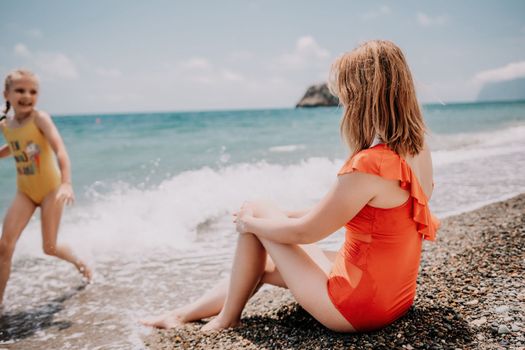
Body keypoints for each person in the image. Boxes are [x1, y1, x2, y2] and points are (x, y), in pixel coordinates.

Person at [142, 40, 439, 332]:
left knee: (256, 209)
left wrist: (251, 224)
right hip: (396, 296)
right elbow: (342, 210)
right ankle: (181, 315)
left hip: (356, 307)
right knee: (265, 264)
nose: (343, 102)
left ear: (361, 97)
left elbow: (305, 233)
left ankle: (226, 318)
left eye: (346, 94)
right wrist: (280, 216)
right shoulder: (417, 148)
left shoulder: (369, 164)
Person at [0, 69, 92, 307]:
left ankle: (80, 262)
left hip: (52, 190)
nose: (27, 96)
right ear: (6, 94)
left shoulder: (40, 118)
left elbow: (59, 149)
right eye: (20, 90)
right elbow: (15, 144)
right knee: (4, 246)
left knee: (49, 247)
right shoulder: (5, 123)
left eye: (33, 91)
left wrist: (66, 182)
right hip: (26, 192)